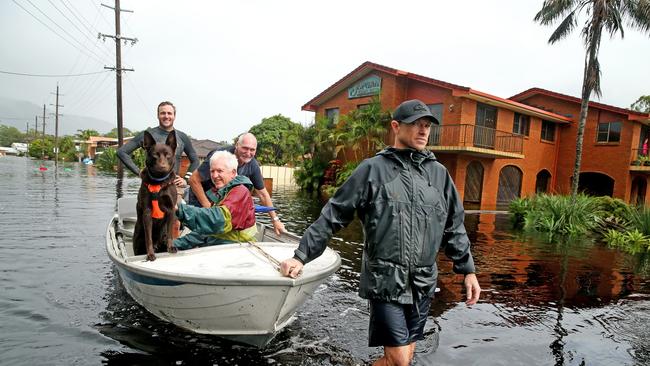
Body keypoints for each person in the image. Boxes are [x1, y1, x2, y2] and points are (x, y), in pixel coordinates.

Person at [279, 99, 481, 366]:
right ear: (396, 127)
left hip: (423, 282)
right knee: (398, 360)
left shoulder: (439, 174)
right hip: (385, 280)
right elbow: (334, 214)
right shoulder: (372, 170)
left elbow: (454, 226)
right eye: (416, 125)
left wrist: (467, 270)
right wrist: (301, 255)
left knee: (405, 358)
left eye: (427, 126)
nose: (423, 131)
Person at [188, 132, 286, 235]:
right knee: (201, 233)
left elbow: (263, 194)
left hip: (220, 201)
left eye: (252, 150)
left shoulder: (253, 165)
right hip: (201, 197)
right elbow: (193, 180)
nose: (248, 153)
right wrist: (207, 206)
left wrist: (275, 220)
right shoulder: (219, 155)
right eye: (245, 148)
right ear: (236, 145)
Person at [117, 101, 199, 200]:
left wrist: (186, 179)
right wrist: (139, 172)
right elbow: (122, 152)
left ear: (174, 116)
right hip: (149, 187)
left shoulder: (181, 137)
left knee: (176, 212)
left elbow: (195, 160)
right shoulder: (147, 135)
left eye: (169, 113)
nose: (166, 116)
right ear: (158, 115)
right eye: (163, 113)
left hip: (173, 187)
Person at [173, 150, 256, 249]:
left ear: (233, 173)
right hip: (218, 246)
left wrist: (181, 210)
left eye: (220, 171)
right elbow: (204, 232)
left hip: (237, 248)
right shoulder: (221, 194)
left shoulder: (240, 192)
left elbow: (217, 220)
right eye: (212, 171)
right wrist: (174, 244)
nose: (215, 175)